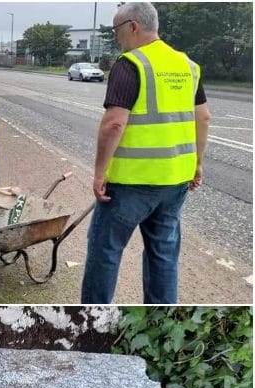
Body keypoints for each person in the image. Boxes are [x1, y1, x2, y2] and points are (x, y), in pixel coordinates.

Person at [81, 2, 209, 304]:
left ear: (133, 26)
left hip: (129, 184)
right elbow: (202, 118)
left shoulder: (131, 64)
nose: (116, 37)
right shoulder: (187, 65)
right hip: (174, 182)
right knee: (163, 255)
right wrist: (197, 164)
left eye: (117, 30)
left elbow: (114, 123)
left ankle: (94, 314)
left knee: (105, 252)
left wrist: (100, 173)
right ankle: (161, 311)